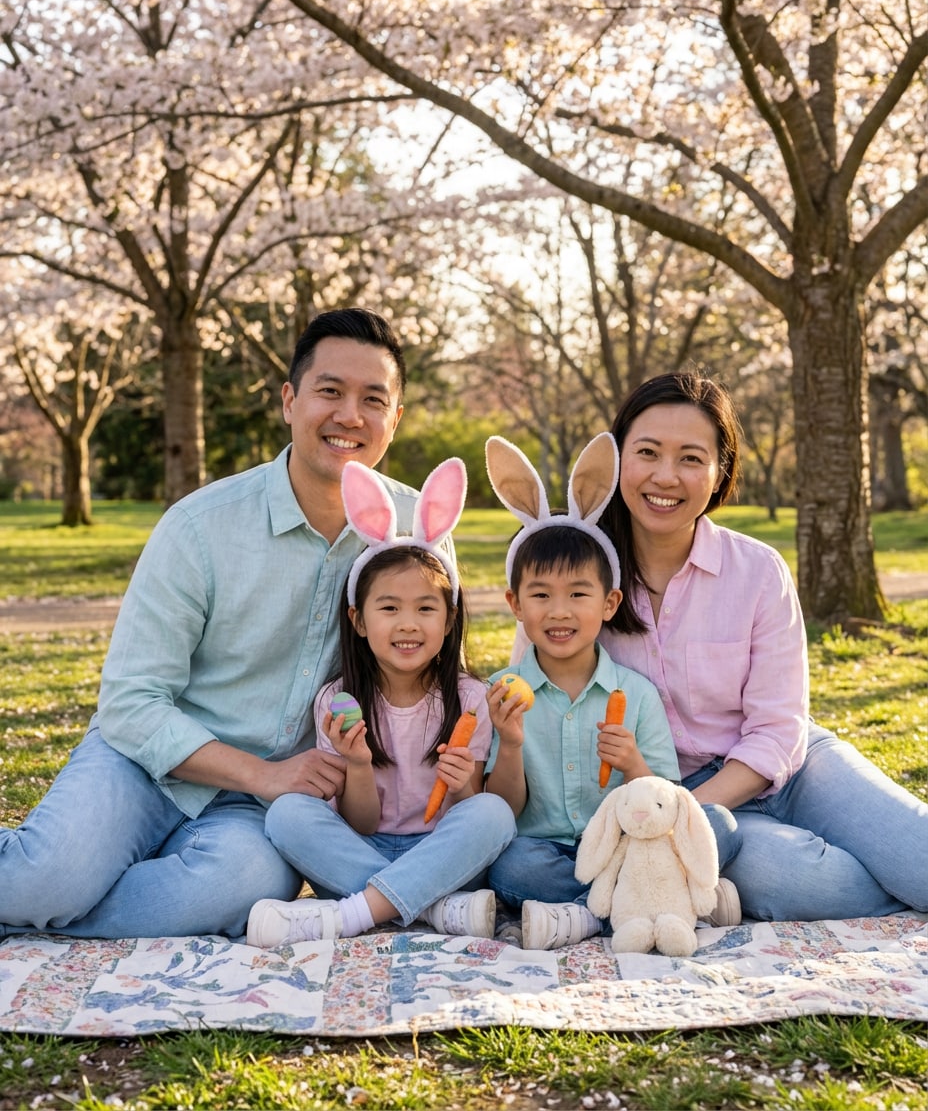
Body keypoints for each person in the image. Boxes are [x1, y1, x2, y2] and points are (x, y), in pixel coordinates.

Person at [0, 307, 428, 941]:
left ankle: (59, 906)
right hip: (146, 764)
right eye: (329, 392)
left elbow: (431, 685)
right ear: (289, 401)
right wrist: (263, 772)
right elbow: (131, 702)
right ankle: (49, 889)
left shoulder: (418, 536)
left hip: (265, 812)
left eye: (373, 399)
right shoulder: (201, 525)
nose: (349, 416)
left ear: (394, 419)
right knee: (44, 879)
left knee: (237, 891)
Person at [596, 370, 928, 921]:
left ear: (720, 471)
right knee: (802, 883)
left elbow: (779, 727)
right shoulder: (582, 577)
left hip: (792, 766)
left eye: (691, 458)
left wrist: (681, 814)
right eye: (648, 452)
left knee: (919, 859)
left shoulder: (756, 570)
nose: (666, 476)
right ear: (616, 459)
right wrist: (667, 810)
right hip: (670, 788)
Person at [482, 433, 741, 951]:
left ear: (608, 603)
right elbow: (501, 812)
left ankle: (582, 916)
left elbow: (667, 798)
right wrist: (509, 744)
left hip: (630, 846)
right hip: (548, 850)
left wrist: (634, 766)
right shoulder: (500, 694)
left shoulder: (635, 694)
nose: (559, 612)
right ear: (515, 604)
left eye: (578, 594)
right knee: (510, 865)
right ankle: (664, 905)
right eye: (540, 596)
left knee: (718, 825)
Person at [246, 457, 516, 947]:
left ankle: (356, 915)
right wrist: (357, 763)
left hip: (441, 855)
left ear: (450, 618)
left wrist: (460, 790)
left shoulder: (469, 700)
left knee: (492, 814)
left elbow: (468, 813)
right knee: (286, 813)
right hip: (359, 851)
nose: (408, 624)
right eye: (389, 608)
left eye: (426, 608)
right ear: (359, 620)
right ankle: (434, 909)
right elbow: (359, 823)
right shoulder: (338, 701)